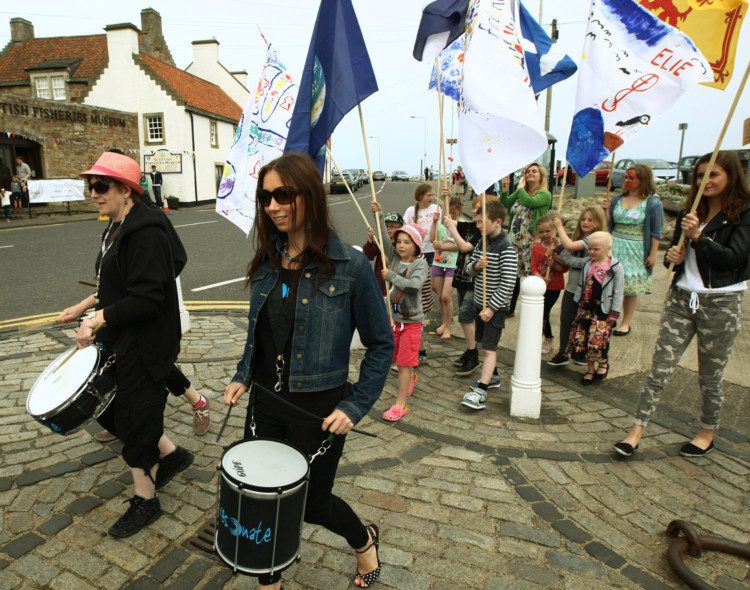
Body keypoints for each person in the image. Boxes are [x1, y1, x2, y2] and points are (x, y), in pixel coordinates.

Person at [224, 153, 393, 590]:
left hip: (319, 409)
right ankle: (269, 580)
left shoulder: (350, 266)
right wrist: (244, 374)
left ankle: (365, 542)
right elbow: (258, 330)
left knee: (312, 505)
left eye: (283, 194)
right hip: (266, 403)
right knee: (261, 498)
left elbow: (381, 344)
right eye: (265, 197)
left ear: (309, 196)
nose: (273, 206)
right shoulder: (267, 259)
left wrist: (356, 405)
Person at [73, 151, 193, 538]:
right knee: (112, 410)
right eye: (91, 185)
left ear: (126, 190)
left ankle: (146, 500)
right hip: (123, 336)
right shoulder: (116, 226)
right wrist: (85, 305)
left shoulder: (146, 232)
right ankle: (173, 454)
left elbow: (145, 298)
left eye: (101, 185)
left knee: (137, 417)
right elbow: (114, 284)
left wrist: (98, 319)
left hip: (144, 342)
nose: (93, 193)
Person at [614, 151, 750, 458]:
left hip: (721, 301)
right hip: (681, 298)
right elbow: (676, 256)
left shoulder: (743, 212)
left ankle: (706, 432)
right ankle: (636, 431)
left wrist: (699, 237)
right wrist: (671, 257)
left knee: (710, 376)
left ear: (731, 176)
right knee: (659, 368)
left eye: (713, 174)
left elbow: (734, 258)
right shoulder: (693, 210)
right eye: (700, 175)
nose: (705, 181)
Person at [461, 200, 517, 410]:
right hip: (480, 304)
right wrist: (477, 265)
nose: (478, 226)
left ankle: (481, 391)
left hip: (494, 309)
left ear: (498, 222)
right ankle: (493, 376)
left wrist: (492, 308)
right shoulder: (483, 243)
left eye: (482, 221)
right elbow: (468, 269)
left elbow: (508, 282)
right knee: (482, 340)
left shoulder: (506, 248)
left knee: (488, 349)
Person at [443, 193, 500, 378]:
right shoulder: (471, 225)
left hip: (476, 281)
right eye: (475, 208)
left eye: (479, 209)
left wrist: (452, 227)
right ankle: (471, 349)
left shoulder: (482, 233)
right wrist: (446, 198)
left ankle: (474, 354)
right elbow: (446, 220)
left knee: (466, 316)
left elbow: (465, 247)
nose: (474, 211)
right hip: (463, 276)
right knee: (467, 318)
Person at [602, 164, 664, 336]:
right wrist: (605, 210)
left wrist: (652, 254)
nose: (627, 181)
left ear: (643, 180)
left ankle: (626, 322)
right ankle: (610, 316)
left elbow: (656, 231)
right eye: (626, 178)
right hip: (615, 244)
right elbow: (606, 223)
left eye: (631, 178)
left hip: (636, 247)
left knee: (630, 287)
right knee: (610, 283)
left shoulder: (652, 202)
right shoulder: (617, 199)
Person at [379, 222, 428, 421]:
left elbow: (414, 285)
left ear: (416, 245)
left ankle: (401, 404)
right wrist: (379, 214)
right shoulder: (396, 259)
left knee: (404, 363)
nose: (400, 246)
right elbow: (383, 240)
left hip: (412, 323)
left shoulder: (420, 264)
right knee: (397, 360)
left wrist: (391, 275)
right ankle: (411, 377)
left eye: (406, 242)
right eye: (398, 242)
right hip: (395, 319)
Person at [548, 207, 607, 366]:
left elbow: (574, 260)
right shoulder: (582, 239)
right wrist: (555, 258)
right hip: (571, 287)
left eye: (590, 219)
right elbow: (569, 261)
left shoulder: (593, 241)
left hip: (587, 291)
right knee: (566, 319)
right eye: (583, 219)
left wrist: (559, 230)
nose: (586, 222)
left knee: (583, 323)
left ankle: (579, 353)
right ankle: (564, 352)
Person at [566, 231, 624, 385]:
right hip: (586, 307)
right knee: (585, 339)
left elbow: (618, 290)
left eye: (596, 249)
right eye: (590, 248)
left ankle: (603, 363)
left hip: (603, 310)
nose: (592, 252)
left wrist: (615, 312)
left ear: (607, 248)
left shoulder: (615, 267)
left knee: (599, 339)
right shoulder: (587, 263)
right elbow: (580, 279)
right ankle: (590, 369)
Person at [500, 163, 552, 315]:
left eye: (534, 171)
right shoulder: (521, 191)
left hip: (532, 240)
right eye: (528, 171)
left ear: (541, 175)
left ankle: (534, 306)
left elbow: (530, 203)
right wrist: (504, 190)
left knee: (532, 273)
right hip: (515, 239)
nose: (530, 173)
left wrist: (520, 188)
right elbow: (505, 203)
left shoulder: (544, 194)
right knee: (513, 273)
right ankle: (510, 307)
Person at [531, 214, 568, 354]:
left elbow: (565, 268)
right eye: (541, 232)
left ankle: (549, 338)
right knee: (539, 312)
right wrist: (540, 278)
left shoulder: (559, 246)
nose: (545, 234)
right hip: (541, 285)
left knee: (544, 311)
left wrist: (555, 262)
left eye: (548, 231)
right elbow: (533, 267)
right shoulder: (536, 248)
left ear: (553, 230)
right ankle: (539, 336)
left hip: (554, 286)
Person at [430, 197, 461, 340]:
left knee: (446, 296)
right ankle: (444, 322)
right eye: (449, 212)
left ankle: (448, 327)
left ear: (459, 212)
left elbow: (459, 245)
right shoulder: (441, 224)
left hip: (453, 264)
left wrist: (442, 246)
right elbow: (432, 239)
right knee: (439, 295)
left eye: (454, 213)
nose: (451, 216)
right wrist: (434, 222)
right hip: (438, 262)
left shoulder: (460, 225)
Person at [363, 210, 404, 296]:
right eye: (386, 226)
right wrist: (370, 240)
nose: (388, 228)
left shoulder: (401, 246)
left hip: (394, 285)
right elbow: (368, 255)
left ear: (400, 227)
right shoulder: (380, 242)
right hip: (380, 284)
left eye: (392, 226)